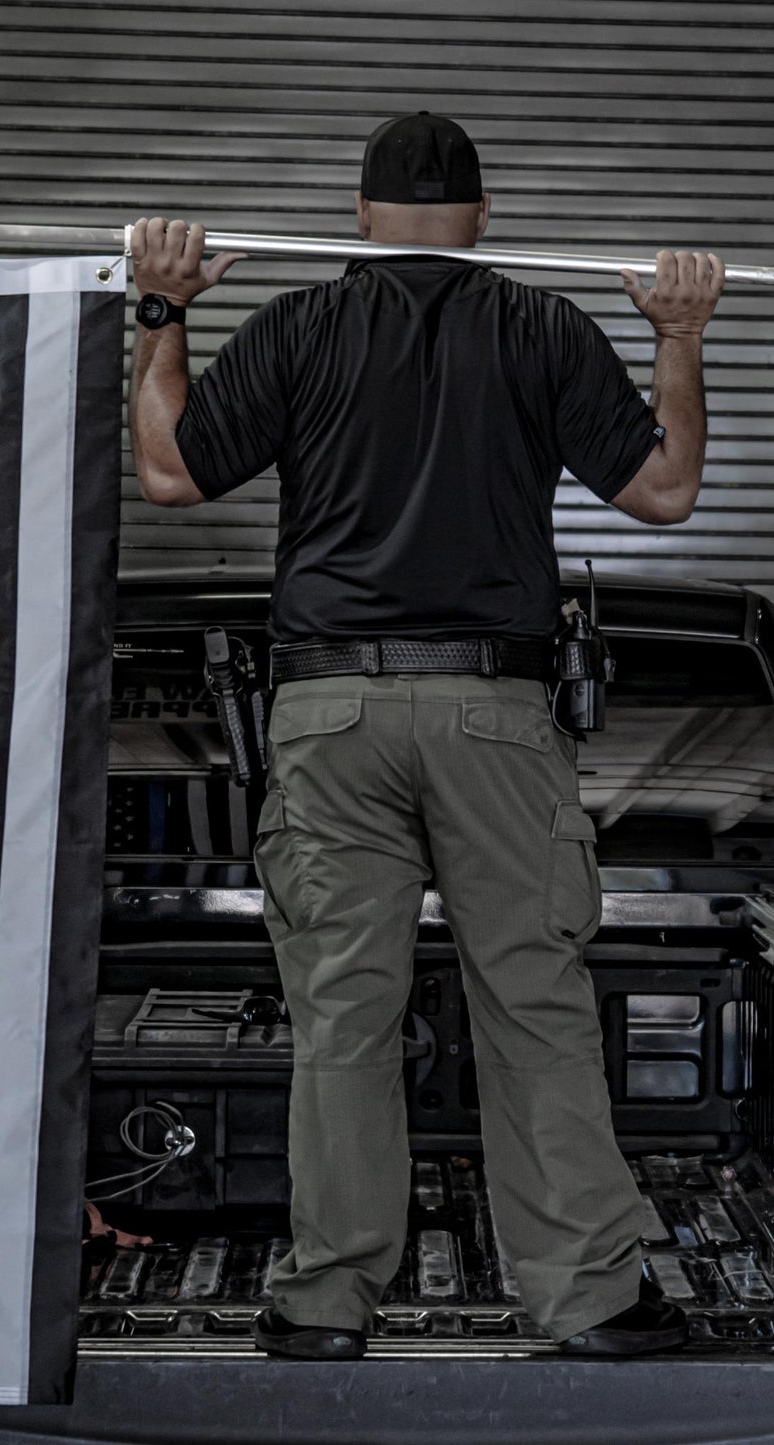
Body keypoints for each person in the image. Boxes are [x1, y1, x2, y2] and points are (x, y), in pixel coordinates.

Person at [127, 112, 725, 1360]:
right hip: (492, 714)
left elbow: (174, 473)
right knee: (532, 1001)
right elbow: (664, 491)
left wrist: (160, 309)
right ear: (482, 219)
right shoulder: (541, 328)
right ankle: (592, 1301)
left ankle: (322, 1305)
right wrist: (675, 334)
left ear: (355, 216)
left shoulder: (297, 327)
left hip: (330, 713)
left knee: (342, 1013)